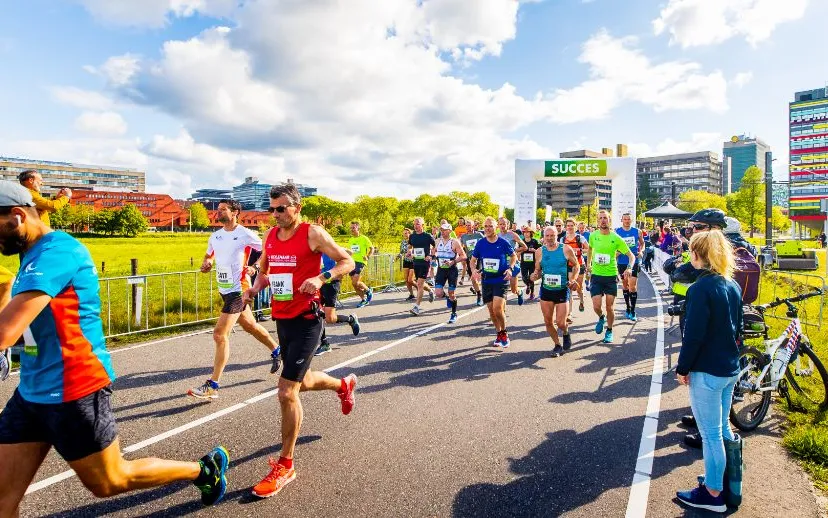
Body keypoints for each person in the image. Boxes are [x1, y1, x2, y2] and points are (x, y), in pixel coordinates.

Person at [0, 183, 229, 513]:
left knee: (110, 481)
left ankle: (203, 470)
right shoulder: (29, 254)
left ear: (18, 216)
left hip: (74, 387)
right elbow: (27, 330)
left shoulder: (57, 252)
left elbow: (5, 332)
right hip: (32, 390)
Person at [242, 183, 358, 499]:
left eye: (282, 208)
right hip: (283, 318)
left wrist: (321, 278)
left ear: (297, 207)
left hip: (308, 319)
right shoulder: (270, 237)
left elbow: (346, 262)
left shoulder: (312, 233)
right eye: (272, 209)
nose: (276, 214)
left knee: (286, 391)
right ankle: (342, 386)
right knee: (302, 381)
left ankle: (285, 465)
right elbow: (265, 272)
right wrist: (254, 289)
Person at [675, 230, 743, 513]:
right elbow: (737, 328)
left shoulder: (699, 289)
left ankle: (713, 493)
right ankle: (725, 481)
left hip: (707, 370)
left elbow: (693, 335)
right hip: (729, 367)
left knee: (711, 433)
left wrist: (683, 367)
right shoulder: (732, 285)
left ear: (698, 254)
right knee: (723, 428)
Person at [188, 200, 282, 400]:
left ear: (235, 212)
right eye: (218, 209)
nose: (218, 212)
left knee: (219, 334)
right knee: (250, 326)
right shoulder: (215, 236)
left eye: (223, 209)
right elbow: (209, 256)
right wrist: (206, 263)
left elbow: (267, 251)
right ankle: (277, 349)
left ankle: (213, 385)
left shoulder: (245, 234)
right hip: (225, 289)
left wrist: (255, 268)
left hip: (239, 289)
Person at [588, 210, 635, 344]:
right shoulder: (593, 236)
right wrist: (589, 265)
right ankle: (601, 317)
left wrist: (629, 267)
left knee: (610, 306)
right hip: (596, 275)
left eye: (605, 218)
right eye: (600, 218)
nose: (603, 220)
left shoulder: (616, 238)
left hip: (611, 276)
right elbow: (590, 249)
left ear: (609, 220)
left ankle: (609, 330)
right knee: (596, 305)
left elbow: (631, 256)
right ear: (597, 221)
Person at [532, 225, 579, 357]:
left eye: (552, 235)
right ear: (544, 237)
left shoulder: (565, 249)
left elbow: (576, 265)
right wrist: (534, 275)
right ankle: (557, 345)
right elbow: (538, 270)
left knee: (560, 322)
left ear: (556, 235)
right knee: (548, 321)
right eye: (547, 236)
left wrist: (574, 278)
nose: (550, 238)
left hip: (562, 290)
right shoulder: (540, 251)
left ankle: (565, 332)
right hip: (546, 290)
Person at [470, 217, 517, 347]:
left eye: (490, 226)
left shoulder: (503, 242)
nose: (487, 229)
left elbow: (513, 256)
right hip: (487, 280)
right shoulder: (480, 243)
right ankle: (499, 333)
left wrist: (510, 268)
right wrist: (474, 271)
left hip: (501, 279)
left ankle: (504, 332)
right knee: (491, 311)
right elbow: (473, 260)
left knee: (497, 309)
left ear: (495, 227)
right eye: (485, 226)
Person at [314, 253, 361, 356]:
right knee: (316, 313)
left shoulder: (329, 248)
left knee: (329, 319)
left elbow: (348, 256)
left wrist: (340, 272)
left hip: (331, 285)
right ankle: (324, 344)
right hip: (318, 285)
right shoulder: (314, 249)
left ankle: (351, 319)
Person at [434, 223, 467, 323]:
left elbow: (463, 256)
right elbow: (433, 252)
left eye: (444, 230)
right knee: (438, 293)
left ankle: (453, 313)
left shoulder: (454, 242)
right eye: (441, 230)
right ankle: (447, 298)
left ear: (449, 231)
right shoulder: (437, 241)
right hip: (441, 270)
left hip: (452, 270)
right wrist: (431, 257)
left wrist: (453, 262)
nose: (442, 231)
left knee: (452, 293)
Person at [615, 213, 645, 322]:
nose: (627, 221)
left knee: (632, 286)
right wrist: (616, 253)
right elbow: (614, 246)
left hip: (633, 261)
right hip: (621, 262)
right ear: (622, 220)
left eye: (628, 219)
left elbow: (642, 243)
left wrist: (641, 251)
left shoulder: (637, 231)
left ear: (631, 220)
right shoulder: (617, 232)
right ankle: (627, 307)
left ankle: (633, 310)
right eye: (625, 219)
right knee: (625, 285)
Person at [559, 219, 589, 314]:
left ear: (575, 226)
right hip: (568, 265)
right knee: (569, 288)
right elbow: (560, 252)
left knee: (578, 288)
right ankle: (569, 313)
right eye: (568, 225)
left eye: (572, 225)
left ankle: (581, 301)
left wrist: (578, 250)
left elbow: (588, 249)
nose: (570, 227)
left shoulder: (580, 238)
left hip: (579, 265)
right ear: (566, 227)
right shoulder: (563, 239)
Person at [408, 217, 436, 315]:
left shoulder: (427, 236)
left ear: (423, 225)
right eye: (414, 224)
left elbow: (436, 246)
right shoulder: (412, 236)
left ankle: (417, 307)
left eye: (418, 224)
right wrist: (409, 252)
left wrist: (430, 255)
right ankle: (430, 290)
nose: (415, 226)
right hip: (416, 262)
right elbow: (410, 246)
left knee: (419, 284)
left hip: (425, 263)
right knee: (419, 282)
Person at [497, 217, 527, 305]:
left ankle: (519, 292)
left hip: (512, 264)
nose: (502, 226)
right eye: (501, 224)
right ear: (498, 225)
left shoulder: (513, 235)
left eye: (504, 224)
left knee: (513, 290)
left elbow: (524, 247)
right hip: (501, 265)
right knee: (502, 289)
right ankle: (502, 310)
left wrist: (513, 252)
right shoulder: (497, 236)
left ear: (508, 225)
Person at [347, 221, 374, 308]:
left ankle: (368, 290)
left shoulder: (364, 238)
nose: (352, 229)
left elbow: (372, 248)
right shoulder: (351, 239)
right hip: (352, 262)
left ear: (358, 228)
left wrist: (368, 256)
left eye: (353, 228)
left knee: (356, 281)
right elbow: (351, 252)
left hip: (361, 262)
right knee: (354, 284)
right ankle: (363, 300)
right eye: (350, 228)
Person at [460, 221, 484, 306]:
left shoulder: (479, 235)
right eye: (466, 225)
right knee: (474, 279)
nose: (468, 227)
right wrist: (462, 257)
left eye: (469, 225)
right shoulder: (463, 236)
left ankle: (480, 294)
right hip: (470, 260)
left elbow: (486, 243)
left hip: (479, 258)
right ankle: (479, 293)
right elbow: (460, 248)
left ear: (473, 226)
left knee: (476, 278)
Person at [520, 226, 541, 301]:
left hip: (532, 263)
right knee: (524, 277)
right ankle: (528, 285)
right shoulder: (521, 241)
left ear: (531, 233)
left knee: (531, 277)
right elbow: (518, 251)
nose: (526, 234)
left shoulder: (534, 241)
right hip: (524, 262)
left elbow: (540, 251)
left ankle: (532, 293)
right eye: (524, 232)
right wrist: (521, 251)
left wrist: (534, 250)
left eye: (527, 232)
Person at [399, 228, 417, 301]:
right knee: (406, 280)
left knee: (410, 280)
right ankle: (411, 294)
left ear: (410, 233)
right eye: (404, 233)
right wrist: (399, 255)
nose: (405, 235)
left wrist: (412, 254)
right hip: (406, 261)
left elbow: (418, 251)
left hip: (413, 261)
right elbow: (401, 251)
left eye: (407, 233)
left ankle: (420, 289)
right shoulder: (403, 242)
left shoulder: (414, 241)